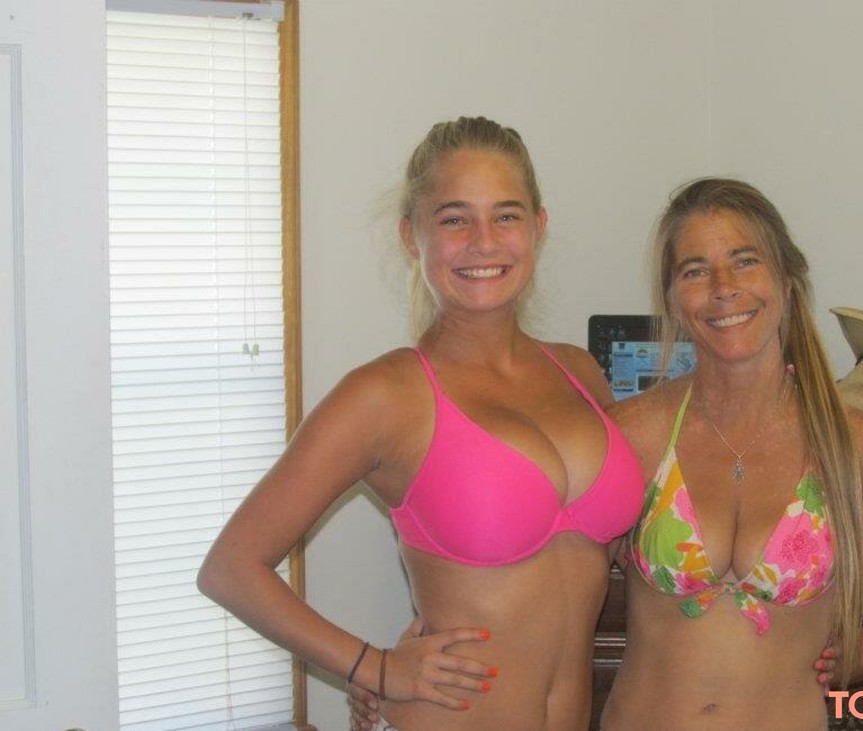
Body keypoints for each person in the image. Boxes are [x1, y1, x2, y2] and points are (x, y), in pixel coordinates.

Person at [197, 116, 647, 731]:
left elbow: (624, 558)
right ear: (413, 235)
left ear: (538, 227)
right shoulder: (387, 396)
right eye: (455, 219)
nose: (484, 242)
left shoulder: (579, 373)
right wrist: (375, 669)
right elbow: (230, 568)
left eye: (507, 215)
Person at [600, 178, 863, 730]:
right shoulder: (632, 432)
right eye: (695, 271)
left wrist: (833, 666)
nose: (724, 288)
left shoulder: (853, 443)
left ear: (788, 279)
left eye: (745, 261)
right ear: (673, 300)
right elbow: (558, 600)